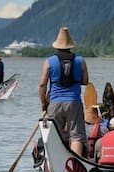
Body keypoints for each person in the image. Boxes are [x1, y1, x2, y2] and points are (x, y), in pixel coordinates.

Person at [39, 26, 89, 157]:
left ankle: (56, 161)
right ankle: (75, 162)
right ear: (70, 46)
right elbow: (85, 81)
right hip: (74, 101)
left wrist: (43, 102)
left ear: (57, 46)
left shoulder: (49, 62)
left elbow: (42, 84)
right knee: (76, 135)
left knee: (55, 134)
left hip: (54, 102)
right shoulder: (80, 61)